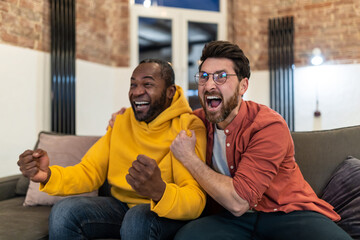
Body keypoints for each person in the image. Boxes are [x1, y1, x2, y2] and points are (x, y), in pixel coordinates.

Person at [108, 41, 351, 239]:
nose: (209, 84)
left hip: (287, 212)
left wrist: (189, 158)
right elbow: (159, 120)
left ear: (243, 85)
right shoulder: (196, 122)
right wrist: (127, 119)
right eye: (203, 77)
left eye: (221, 76)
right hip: (229, 221)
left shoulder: (268, 125)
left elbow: (239, 201)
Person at [17, 59, 207, 240]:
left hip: (166, 211)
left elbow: (195, 199)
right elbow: (89, 171)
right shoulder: (122, 121)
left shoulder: (188, 127)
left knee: (138, 217)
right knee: (64, 211)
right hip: (121, 207)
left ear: (169, 92)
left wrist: (160, 191)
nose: (137, 92)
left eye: (147, 85)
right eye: (133, 85)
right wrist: (47, 176)